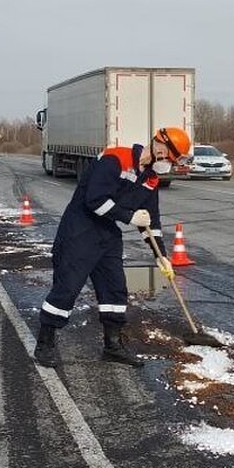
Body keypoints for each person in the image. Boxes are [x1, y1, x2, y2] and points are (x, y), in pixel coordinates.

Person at [34, 126, 192, 368]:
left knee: (115, 287)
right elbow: (94, 200)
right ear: (160, 148)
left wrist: (160, 255)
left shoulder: (150, 179)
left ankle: (113, 345)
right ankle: (45, 343)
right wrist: (130, 218)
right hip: (81, 228)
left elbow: (151, 220)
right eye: (171, 158)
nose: (170, 164)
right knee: (68, 286)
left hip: (108, 234)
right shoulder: (116, 159)